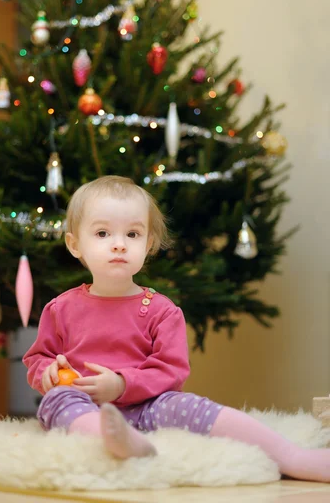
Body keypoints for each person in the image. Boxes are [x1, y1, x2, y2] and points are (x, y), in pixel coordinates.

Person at [23, 175, 330, 482]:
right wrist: (48, 372)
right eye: (102, 233)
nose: (119, 244)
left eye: (132, 234)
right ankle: (117, 440)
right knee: (56, 402)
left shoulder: (161, 310)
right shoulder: (61, 308)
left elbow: (171, 370)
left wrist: (121, 385)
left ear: (149, 244)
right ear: (75, 245)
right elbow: (39, 358)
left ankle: (293, 457)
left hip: (148, 405)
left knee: (190, 405)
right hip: (84, 403)